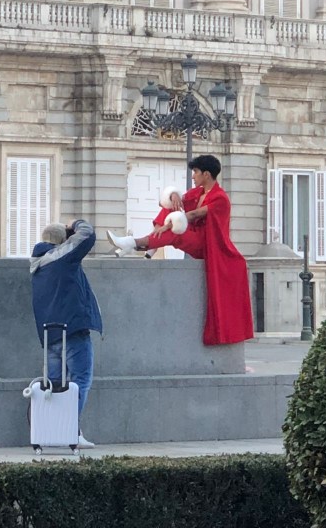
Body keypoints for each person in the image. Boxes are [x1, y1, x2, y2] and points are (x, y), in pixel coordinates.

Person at [107, 155, 253, 346]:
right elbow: (173, 204)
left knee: (175, 231)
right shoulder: (198, 192)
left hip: (208, 244)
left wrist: (167, 225)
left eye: (196, 172)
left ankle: (132, 243)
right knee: (170, 208)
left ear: (206, 174)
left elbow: (193, 215)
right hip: (197, 237)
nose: (193, 176)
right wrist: (174, 196)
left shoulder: (220, 198)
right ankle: (143, 245)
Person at [30, 219, 102, 448]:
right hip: (72, 331)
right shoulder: (62, 257)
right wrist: (75, 224)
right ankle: (70, 431)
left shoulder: (39, 264)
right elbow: (87, 234)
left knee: (54, 387)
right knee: (80, 381)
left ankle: (52, 433)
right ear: (63, 242)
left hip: (51, 336)